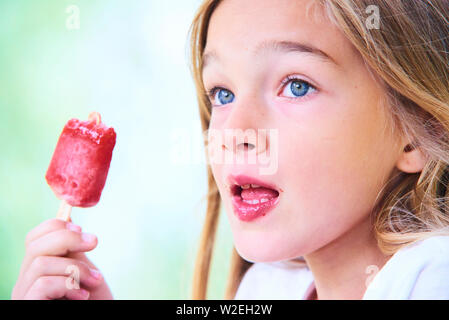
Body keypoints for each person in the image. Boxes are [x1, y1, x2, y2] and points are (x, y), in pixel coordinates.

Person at [12, 0, 449, 300]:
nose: (236, 130)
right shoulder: (267, 287)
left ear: (417, 131)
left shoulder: (433, 276)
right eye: (221, 93)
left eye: (296, 86)